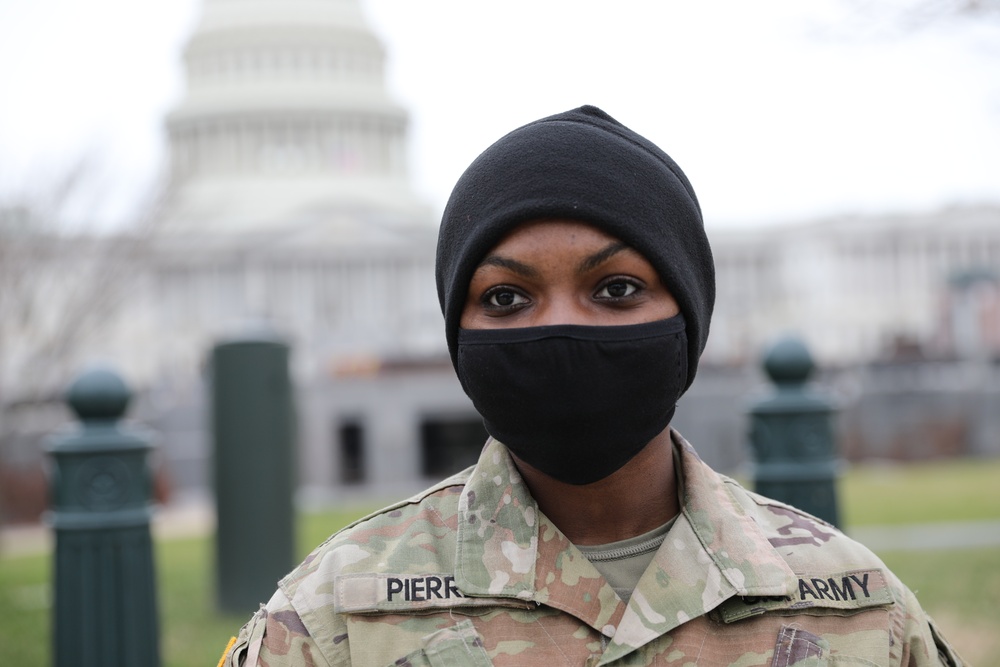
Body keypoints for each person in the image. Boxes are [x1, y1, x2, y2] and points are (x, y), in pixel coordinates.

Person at [222, 105, 964, 666]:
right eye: (507, 298)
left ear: (688, 316)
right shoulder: (333, 613)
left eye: (615, 288)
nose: (564, 331)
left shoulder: (857, 606)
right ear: (458, 329)